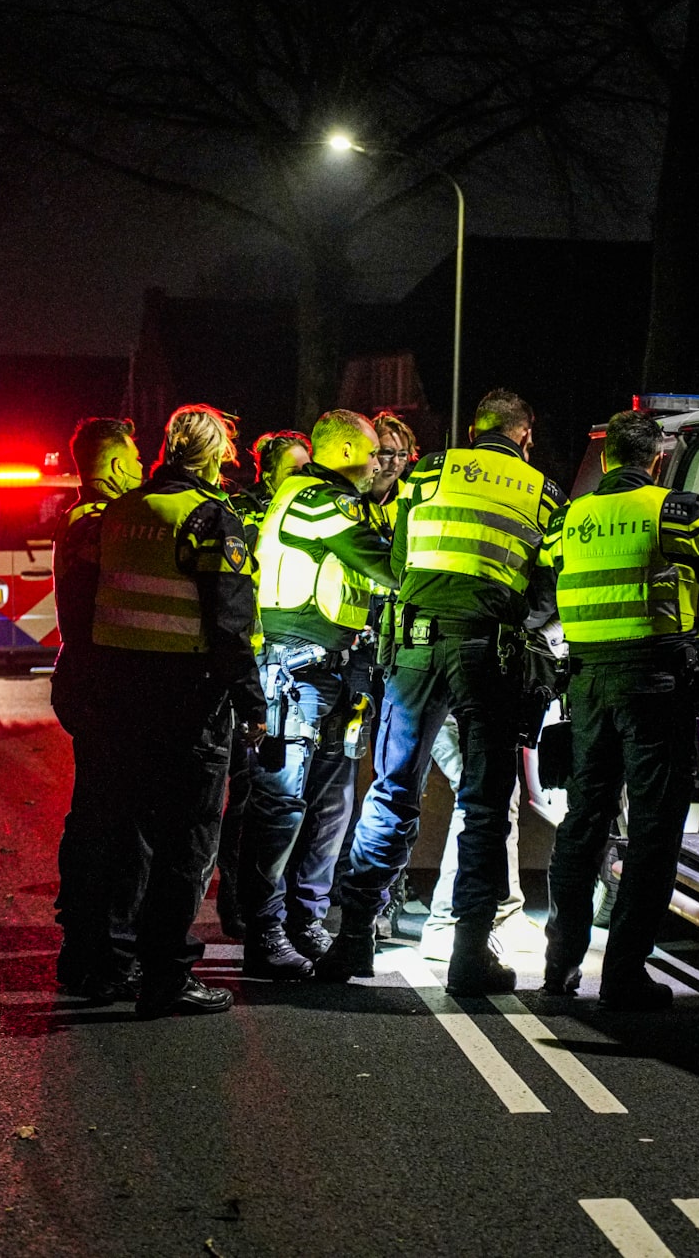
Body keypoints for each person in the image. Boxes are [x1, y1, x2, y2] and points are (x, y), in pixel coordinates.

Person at [320, 388, 565, 995]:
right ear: (524, 437)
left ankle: (354, 938)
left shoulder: (428, 473)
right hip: (486, 653)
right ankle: (468, 953)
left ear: (474, 431)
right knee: (484, 804)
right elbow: (545, 592)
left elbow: (401, 560)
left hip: (414, 645)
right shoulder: (542, 492)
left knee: (392, 789)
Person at [540, 409, 699, 1008]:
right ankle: (624, 973)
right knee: (654, 828)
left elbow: (547, 577)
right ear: (656, 459)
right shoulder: (674, 510)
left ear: (606, 459)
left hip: (587, 685)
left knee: (584, 823)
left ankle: (560, 964)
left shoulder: (569, 517)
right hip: (653, 684)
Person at [91, 404, 267, 1018]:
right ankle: (167, 975)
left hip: (120, 694)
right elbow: (230, 624)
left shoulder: (123, 511)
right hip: (187, 698)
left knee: (130, 834)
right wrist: (251, 702)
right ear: (215, 456)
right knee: (187, 840)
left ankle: (119, 962)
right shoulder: (210, 517)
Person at [237, 409, 395, 978]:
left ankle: (306, 921)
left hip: (333, 670)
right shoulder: (318, 500)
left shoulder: (333, 501)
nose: (378, 463)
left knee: (330, 806)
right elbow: (387, 565)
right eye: (373, 452)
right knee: (281, 806)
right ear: (347, 451)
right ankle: (265, 932)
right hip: (296, 671)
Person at [51, 417, 149, 998]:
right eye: (135, 460)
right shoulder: (101, 524)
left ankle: (85, 947)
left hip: (88, 680)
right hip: (104, 684)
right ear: (114, 467)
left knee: (95, 814)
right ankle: (104, 953)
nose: (142, 469)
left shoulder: (83, 518)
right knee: (115, 821)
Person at [215, 427, 312, 938]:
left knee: (274, 791)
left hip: (286, 665)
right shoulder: (245, 514)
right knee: (243, 791)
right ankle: (234, 899)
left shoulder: (311, 512)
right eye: (293, 470)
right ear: (268, 473)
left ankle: (267, 897)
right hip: (247, 666)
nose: (303, 478)